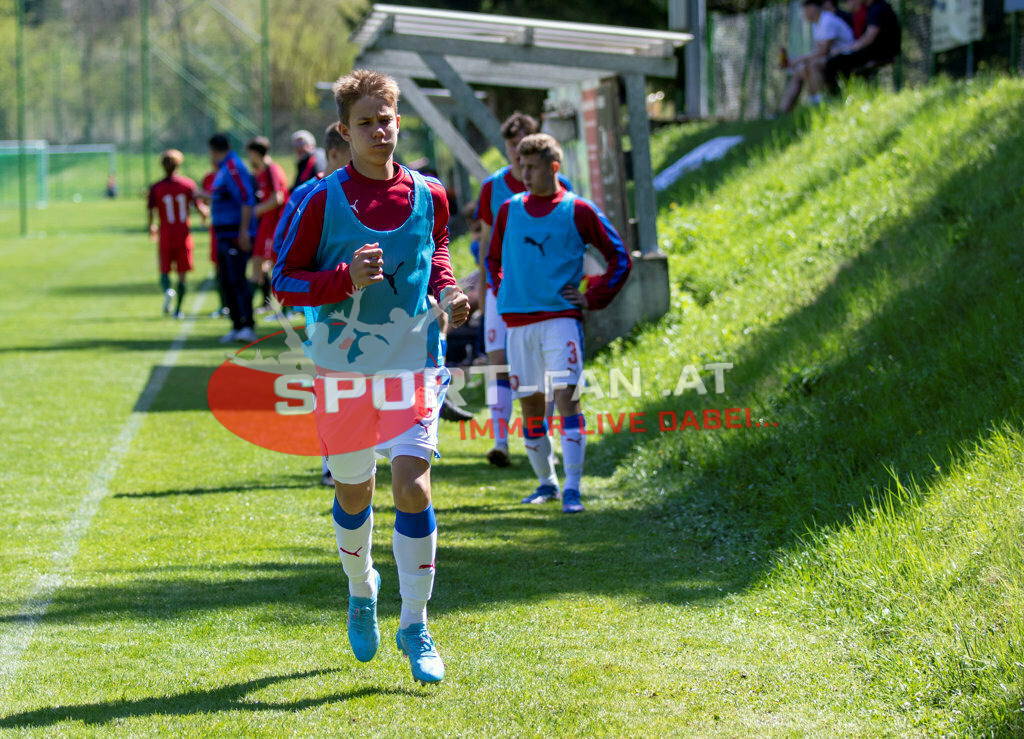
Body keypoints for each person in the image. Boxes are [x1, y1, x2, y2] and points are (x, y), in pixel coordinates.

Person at [273, 69, 470, 685]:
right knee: (354, 491)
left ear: (398, 121)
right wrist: (342, 280)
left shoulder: (430, 193)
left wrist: (448, 292)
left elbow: (435, 252)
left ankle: (416, 623)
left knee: (412, 485)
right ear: (344, 130)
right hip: (343, 368)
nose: (379, 131)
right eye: (365, 122)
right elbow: (283, 280)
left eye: (386, 120)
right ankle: (362, 590)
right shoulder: (317, 199)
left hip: (413, 359)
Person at [487, 133, 631, 513]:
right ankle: (546, 482)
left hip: (561, 322)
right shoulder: (509, 209)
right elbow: (492, 261)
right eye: (520, 165)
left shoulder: (578, 210)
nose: (524, 174)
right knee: (532, 409)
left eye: (532, 167)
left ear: (554, 167)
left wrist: (592, 297)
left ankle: (573, 487)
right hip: (519, 326)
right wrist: (506, 292)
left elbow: (620, 257)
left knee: (567, 400)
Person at [474, 112, 572, 468]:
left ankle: (543, 440)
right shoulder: (493, 187)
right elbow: (487, 244)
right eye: (511, 145)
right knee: (498, 363)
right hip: (502, 293)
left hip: (544, 299)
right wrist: (486, 294)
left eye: (522, 144)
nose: (516, 152)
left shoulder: (562, 186)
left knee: (544, 374)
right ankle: (500, 442)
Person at [271, 122, 351, 489]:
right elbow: (281, 247)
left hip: (370, 305)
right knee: (331, 382)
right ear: (334, 152)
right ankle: (330, 463)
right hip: (323, 304)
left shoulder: (366, 189)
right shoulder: (307, 193)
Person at [205, 133, 257, 344]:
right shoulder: (225, 169)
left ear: (214, 150)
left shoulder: (233, 167)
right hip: (223, 236)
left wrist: (244, 231)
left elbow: (246, 198)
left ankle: (248, 325)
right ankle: (236, 325)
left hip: (234, 235)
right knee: (226, 281)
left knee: (237, 280)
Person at [147, 149, 206, 319]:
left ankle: (168, 291)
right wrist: (205, 215)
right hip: (184, 235)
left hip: (166, 234)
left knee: (164, 272)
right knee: (182, 275)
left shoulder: (156, 187)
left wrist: (152, 227)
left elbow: (151, 211)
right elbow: (200, 208)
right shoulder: (188, 184)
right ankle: (178, 310)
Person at [779, 0, 855, 113]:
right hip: (832, 57)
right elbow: (817, 50)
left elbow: (823, 51)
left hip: (846, 56)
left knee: (812, 65)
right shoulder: (817, 24)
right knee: (800, 70)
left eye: (804, 10)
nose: (803, 14)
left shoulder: (827, 20)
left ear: (813, 8)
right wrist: (797, 62)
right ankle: (783, 111)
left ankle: (820, 102)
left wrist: (797, 60)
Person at [246, 136, 289, 314]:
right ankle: (262, 304)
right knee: (258, 263)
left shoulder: (272, 170)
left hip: (274, 225)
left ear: (256, 153)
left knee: (272, 264)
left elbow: (278, 198)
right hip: (266, 224)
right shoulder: (262, 172)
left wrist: (257, 210)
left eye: (250, 154)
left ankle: (287, 307)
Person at [825, 0, 901, 93]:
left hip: (880, 53)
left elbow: (868, 38)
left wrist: (845, 49)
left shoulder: (879, 8)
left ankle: (838, 95)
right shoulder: (870, 8)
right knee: (834, 60)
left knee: (836, 61)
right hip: (873, 51)